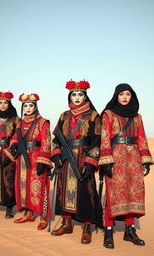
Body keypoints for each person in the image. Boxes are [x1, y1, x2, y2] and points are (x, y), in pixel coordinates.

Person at [99, 83, 154, 249]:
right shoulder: (108, 114)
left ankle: (130, 231)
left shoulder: (137, 117)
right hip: (115, 158)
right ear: (116, 95)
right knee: (113, 194)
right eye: (121, 94)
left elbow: (141, 137)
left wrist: (145, 159)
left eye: (128, 94)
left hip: (134, 159)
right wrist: (106, 161)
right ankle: (108, 230)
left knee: (133, 194)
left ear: (132, 97)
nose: (124, 97)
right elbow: (105, 137)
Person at [50, 80, 102, 244]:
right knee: (64, 190)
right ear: (70, 96)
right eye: (74, 94)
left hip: (83, 158)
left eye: (80, 94)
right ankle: (67, 223)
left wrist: (90, 161)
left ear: (85, 96)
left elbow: (98, 140)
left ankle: (87, 227)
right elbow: (56, 137)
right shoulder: (63, 115)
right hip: (66, 159)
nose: (77, 97)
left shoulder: (94, 115)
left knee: (86, 191)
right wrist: (56, 153)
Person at [4, 93, 52, 230]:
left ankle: (43, 217)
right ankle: (29, 213)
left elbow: (46, 141)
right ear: (23, 107)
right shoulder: (20, 123)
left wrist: (43, 161)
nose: (28, 108)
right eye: (26, 105)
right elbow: (15, 137)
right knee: (24, 186)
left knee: (40, 187)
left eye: (31, 105)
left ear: (35, 107)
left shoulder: (43, 122)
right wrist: (13, 144)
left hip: (37, 157)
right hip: (22, 159)